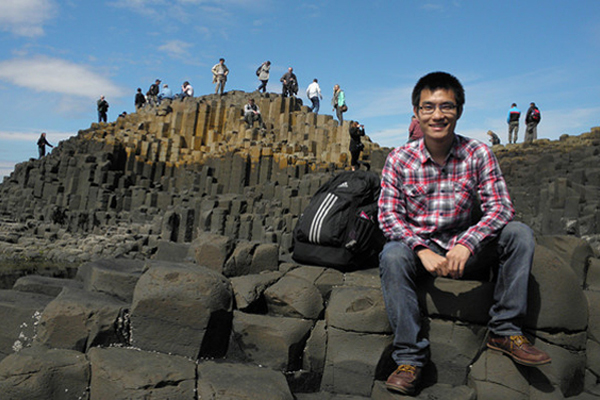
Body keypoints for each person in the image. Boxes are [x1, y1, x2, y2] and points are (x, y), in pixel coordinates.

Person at [378, 71, 551, 396]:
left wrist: (468, 244)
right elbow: (388, 216)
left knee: (519, 233)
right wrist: (420, 249)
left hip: (467, 251)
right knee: (392, 253)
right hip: (423, 252)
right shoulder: (398, 159)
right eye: (428, 107)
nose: (437, 115)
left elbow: (501, 209)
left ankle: (505, 329)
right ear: (416, 113)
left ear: (458, 111)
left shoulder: (478, 153)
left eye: (446, 106)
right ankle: (410, 358)